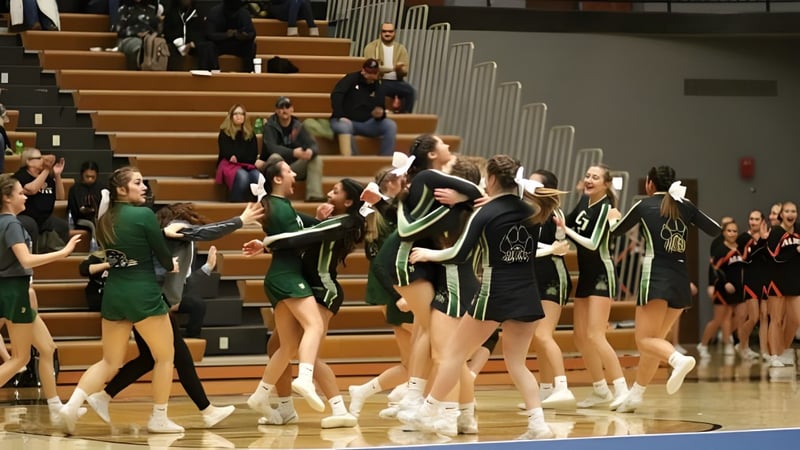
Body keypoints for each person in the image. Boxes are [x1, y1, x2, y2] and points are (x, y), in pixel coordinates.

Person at [405, 155, 563, 439]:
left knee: (454, 354)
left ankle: (427, 412)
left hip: (494, 292)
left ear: (490, 179)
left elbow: (459, 253)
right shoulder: (533, 209)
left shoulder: (486, 212)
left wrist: (430, 254)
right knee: (517, 364)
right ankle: (538, 425)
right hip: (528, 293)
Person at [84, 202, 265, 429]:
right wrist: (240, 220)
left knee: (150, 359)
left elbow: (180, 283)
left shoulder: (165, 240)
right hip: (153, 305)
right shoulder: (178, 229)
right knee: (180, 358)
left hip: (151, 302)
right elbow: (207, 232)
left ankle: (103, 397)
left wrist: (206, 269)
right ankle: (199, 411)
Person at [58, 167, 183, 434]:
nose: (144, 187)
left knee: (109, 361)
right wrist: (171, 263)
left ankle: (71, 406)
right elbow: (162, 257)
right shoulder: (144, 214)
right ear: (121, 189)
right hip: (142, 294)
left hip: (114, 293)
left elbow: (122, 250)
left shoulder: (105, 220)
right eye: (138, 182)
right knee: (165, 356)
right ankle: (159, 418)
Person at [608, 165, 720, 413]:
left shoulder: (644, 205)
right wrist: (689, 208)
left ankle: (677, 359)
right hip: (680, 279)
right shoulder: (685, 204)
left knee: (644, 340)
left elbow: (616, 231)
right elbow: (715, 229)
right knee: (655, 342)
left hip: (655, 277)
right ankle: (636, 395)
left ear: (650, 183)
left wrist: (613, 216)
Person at [258, 178, 366, 429]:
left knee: (308, 354)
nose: (329, 194)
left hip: (323, 290)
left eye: (335, 192)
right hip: (308, 286)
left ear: (349, 201)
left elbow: (301, 236)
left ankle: (339, 409)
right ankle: (286, 407)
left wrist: (266, 243)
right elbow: (306, 235)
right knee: (277, 347)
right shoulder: (333, 221)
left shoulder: (345, 221)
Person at [242, 156, 327, 420]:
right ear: (277, 178)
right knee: (315, 325)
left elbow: (302, 229)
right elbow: (297, 239)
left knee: (288, 345)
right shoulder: (276, 206)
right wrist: (339, 227)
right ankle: (305, 377)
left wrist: (320, 221)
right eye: (289, 171)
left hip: (280, 276)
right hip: (288, 277)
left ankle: (260, 395)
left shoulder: (282, 205)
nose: (295, 175)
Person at [0, 173, 82, 422]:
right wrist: (62, 253)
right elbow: (26, 260)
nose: (25, 197)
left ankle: (56, 409)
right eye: (20, 193)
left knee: (47, 348)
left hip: (12, 291)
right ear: (6, 198)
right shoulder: (11, 224)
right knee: (20, 358)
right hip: (14, 291)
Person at [562, 164, 628, 409]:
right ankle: (601, 389)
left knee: (595, 335)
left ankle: (622, 388)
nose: (589, 180)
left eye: (595, 177)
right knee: (579, 337)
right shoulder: (583, 201)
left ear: (606, 184)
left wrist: (565, 229)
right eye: (588, 176)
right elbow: (565, 224)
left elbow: (592, 243)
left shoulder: (606, 209)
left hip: (602, 274)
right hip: (586, 275)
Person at [528, 169, 576, 409]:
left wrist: (555, 244)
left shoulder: (554, 214)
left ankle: (562, 387)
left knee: (543, 334)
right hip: (535, 278)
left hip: (553, 278)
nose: (529, 187)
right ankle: (545, 390)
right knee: (537, 337)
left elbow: (559, 245)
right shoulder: (529, 212)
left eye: (535, 184)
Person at [258, 96, 325, 202]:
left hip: (293, 168)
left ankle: (314, 195)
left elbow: (314, 145)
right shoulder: (270, 126)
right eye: (281, 107)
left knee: (316, 159)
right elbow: (271, 148)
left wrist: (310, 151)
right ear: (276, 111)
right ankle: (276, 197)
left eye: (287, 107)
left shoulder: (298, 126)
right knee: (275, 157)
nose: (284, 110)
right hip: (275, 169)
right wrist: (293, 153)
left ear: (292, 109)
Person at [329, 58, 397, 156]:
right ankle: (353, 159)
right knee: (344, 127)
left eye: (374, 73)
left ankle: (385, 159)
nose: (371, 75)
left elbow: (380, 106)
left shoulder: (378, 85)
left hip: (367, 122)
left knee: (390, 125)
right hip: (345, 119)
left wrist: (380, 114)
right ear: (363, 71)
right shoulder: (351, 78)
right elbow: (336, 95)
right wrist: (340, 115)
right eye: (369, 72)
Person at [698, 221, 743, 358]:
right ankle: (703, 345)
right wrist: (724, 283)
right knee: (718, 319)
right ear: (723, 233)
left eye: (735, 231)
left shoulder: (740, 248)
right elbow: (715, 270)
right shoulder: (720, 250)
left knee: (737, 316)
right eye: (729, 231)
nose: (732, 234)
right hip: (722, 289)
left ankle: (726, 338)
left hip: (736, 289)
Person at [13, 148, 69, 253]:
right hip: (26, 216)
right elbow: (32, 189)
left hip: (45, 217)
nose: (43, 160)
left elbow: (60, 196)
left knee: (62, 226)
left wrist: (57, 175)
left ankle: (61, 256)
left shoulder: (46, 176)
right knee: (31, 225)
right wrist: (47, 170)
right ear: (28, 161)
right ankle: (33, 255)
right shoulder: (20, 176)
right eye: (39, 158)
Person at [363, 22, 415, 113]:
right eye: (384, 31)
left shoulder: (401, 48)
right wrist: (392, 69)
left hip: (396, 81)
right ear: (380, 33)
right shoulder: (371, 47)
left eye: (390, 31)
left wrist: (400, 70)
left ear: (394, 33)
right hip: (379, 80)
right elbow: (371, 68)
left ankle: (406, 115)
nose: (387, 34)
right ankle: (380, 114)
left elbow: (405, 70)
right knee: (381, 88)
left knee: (411, 91)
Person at [216, 104, 261, 202]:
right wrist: (240, 156)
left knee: (257, 176)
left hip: (247, 165)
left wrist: (238, 156)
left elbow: (253, 155)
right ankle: (235, 203)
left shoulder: (250, 134)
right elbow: (226, 153)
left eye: (241, 114)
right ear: (231, 116)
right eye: (235, 114)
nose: (238, 116)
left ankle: (255, 205)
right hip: (228, 164)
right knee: (243, 176)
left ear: (245, 116)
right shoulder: (225, 132)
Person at [163, 0, 217, 71]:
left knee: (208, 46)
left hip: (194, 45)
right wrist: (180, 45)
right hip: (176, 44)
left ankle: (208, 73)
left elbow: (203, 32)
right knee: (169, 49)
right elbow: (168, 32)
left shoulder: (199, 12)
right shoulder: (171, 13)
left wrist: (192, 44)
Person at [206, 0, 257, 73]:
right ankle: (214, 72)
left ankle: (248, 72)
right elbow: (209, 34)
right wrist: (226, 35)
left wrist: (244, 36)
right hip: (219, 44)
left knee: (251, 46)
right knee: (208, 45)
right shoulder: (215, 12)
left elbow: (252, 33)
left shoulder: (243, 13)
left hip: (237, 44)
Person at [115, 0, 161, 70]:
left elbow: (156, 28)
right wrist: (136, 33)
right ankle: (136, 72)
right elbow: (119, 30)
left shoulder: (152, 9)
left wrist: (153, 34)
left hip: (149, 38)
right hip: (129, 38)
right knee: (138, 45)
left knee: (158, 44)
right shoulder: (124, 9)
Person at [67, 161, 103, 238]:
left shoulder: (102, 188)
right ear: (82, 175)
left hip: (100, 217)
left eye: (93, 177)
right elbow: (73, 210)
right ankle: (97, 244)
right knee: (93, 224)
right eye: (87, 176)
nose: (90, 179)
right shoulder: (75, 189)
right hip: (82, 219)